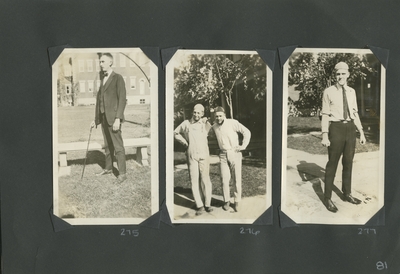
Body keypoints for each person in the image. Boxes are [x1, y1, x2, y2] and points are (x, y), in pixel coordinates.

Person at [321, 61, 366, 213]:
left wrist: (361, 131)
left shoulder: (352, 92)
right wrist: (325, 135)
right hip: (336, 129)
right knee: (332, 164)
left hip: (350, 129)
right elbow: (325, 114)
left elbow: (355, 113)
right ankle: (327, 198)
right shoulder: (328, 92)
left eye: (343, 73)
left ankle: (347, 193)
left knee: (348, 162)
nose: (340, 76)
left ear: (348, 74)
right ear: (335, 75)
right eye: (338, 74)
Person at [90, 53, 127, 183]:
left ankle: (122, 173)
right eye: (100, 62)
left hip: (113, 118)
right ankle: (109, 168)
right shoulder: (102, 79)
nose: (100, 64)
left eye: (103, 62)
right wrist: (96, 120)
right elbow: (99, 100)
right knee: (107, 145)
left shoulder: (118, 78)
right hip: (104, 118)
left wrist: (118, 118)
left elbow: (122, 99)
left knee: (118, 146)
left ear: (110, 62)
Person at [174, 104, 213, 215]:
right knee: (194, 179)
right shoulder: (187, 123)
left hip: (204, 154)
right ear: (193, 112)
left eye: (199, 113)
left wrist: (206, 120)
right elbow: (175, 133)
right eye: (195, 112)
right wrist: (185, 143)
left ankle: (208, 204)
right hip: (192, 154)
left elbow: (214, 122)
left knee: (205, 179)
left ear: (202, 114)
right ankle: (199, 205)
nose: (196, 114)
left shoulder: (206, 124)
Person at [212, 106, 251, 212]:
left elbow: (246, 132)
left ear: (224, 115)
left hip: (234, 153)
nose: (218, 118)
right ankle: (226, 201)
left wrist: (243, 146)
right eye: (216, 116)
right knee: (224, 179)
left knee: (236, 179)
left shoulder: (232, 123)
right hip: (223, 155)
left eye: (220, 116)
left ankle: (237, 201)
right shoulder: (214, 126)